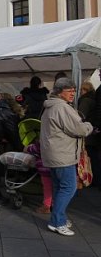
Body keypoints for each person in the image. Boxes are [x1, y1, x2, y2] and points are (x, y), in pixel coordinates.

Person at [40, 77, 93, 236]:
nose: (73, 93)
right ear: (59, 92)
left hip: (54, 153)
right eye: (69, 90)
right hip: (63, 155)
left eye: (74, 90)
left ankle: (60, 217)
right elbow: (79, 129)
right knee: (68, 188)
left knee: (59, 187)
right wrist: (89, 125)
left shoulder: (51, 106)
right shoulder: (62, 108)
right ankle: (57, 222)